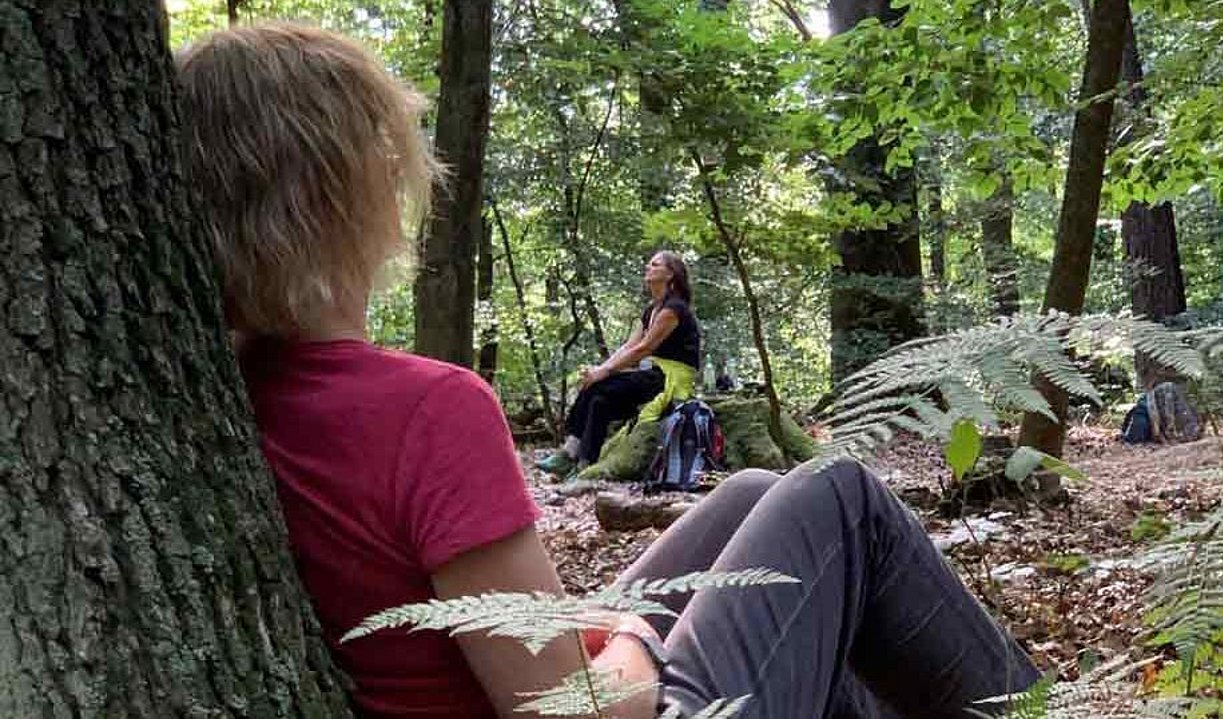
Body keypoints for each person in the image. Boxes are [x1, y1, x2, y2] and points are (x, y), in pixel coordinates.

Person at [177, 22, 1040, 719]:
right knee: (842, 498)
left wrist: (601, 626)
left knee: (747, 496)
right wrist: (633, 636)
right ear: (352, 189)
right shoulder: (427, 409)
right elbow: (569, 709)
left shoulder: (217, 393)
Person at [538, 251, 702, 477]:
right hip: (652, 375)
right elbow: (628, 346)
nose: (648, 267)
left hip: (669, 381)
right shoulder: (651, 310)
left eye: (655, 265)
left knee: (599, 387)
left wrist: (604, 372)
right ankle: (581, 462)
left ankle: (571, 456)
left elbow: (643, 349)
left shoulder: (674, 309)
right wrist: (598, 371)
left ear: (670, 275)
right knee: (599, 400)